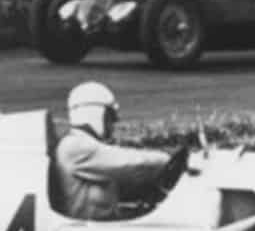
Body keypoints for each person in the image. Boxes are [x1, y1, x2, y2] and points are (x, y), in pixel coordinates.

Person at [52, 82, 177, 221]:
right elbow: (130, 162)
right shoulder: (76, 146)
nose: (113, 125)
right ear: (94, 113)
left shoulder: (82, 144)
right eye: (110, 118)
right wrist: (167, 160)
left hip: (95, 227)